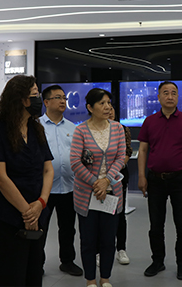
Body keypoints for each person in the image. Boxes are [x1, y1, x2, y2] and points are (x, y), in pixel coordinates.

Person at [0, 75, 54, 286]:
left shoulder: (36, 128)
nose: (38, 100)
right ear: (21, 99)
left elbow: (48, 169)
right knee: (10, 276)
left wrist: (41, 203)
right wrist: (27, 212)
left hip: (37, 212)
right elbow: (0, 177)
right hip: (10, 215)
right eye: (34, 95)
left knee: (33, 274)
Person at [137, 81, 182, 281]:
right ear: (158, 97)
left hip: (180, 180)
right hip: (155, 180)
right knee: (156, 225)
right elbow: (143, 150)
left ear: (178, 97)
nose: (170, 96)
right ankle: (158, 261)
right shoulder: (149, 121)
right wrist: (141, 176)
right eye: (165, 93)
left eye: (174, 93)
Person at [70, 88, 126, 287]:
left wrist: (106, 181)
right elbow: (75, 162)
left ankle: (105, 278)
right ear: (90, 107)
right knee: (88, 240)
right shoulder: (81, 130)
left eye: (108, 102)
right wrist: (96, 183)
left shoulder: (117, 128)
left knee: (108, 239)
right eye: (102, 103)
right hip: (87, 194)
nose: (107, 107)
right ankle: (91, 280)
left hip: (111, 192)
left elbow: (120, 157)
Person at [38, 85, 83, 276]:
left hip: (69, 186)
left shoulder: (73, 127)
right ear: (46, 102)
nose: (63, 101)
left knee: (68, 228)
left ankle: (67, 261)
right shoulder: (36, 126)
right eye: (58, 97)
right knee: (41, 228)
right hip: (44, 188)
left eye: (64, 97)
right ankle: (37, 264)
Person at [108, 107, 132, 265]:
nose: (109, 111)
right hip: (97, 178)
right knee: (100, 215)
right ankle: (100, 251)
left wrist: (115, 169)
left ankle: (121, 249)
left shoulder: (122, 129)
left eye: (111, 108)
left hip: (118, 177)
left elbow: (127, 151)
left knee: (119, 213)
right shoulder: (89, 130)